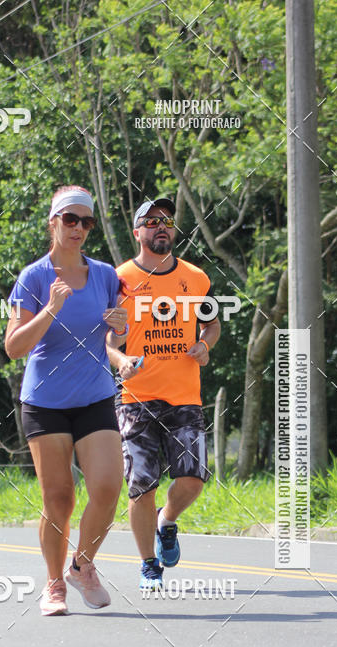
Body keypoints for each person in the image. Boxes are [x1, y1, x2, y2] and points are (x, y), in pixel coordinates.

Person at [5, 185, 127, 615]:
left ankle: (82, 565)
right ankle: (54, 585)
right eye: (70, 219)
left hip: (94, 395)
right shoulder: (34, 277)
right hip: (46, 400)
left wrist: (121, 329)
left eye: (86, 221)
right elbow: (14, 347)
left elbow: (112, 336)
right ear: (53, 222)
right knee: (59, 499)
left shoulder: (106, 275)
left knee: (109, 487)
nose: (78, 228)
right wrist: (50, 309)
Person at [106, 197, 221, 591]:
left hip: (185, 395)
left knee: (193, 479)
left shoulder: (195, 277)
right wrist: (120, 360)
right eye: (151, 221)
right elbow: (108, 340)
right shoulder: (118, 279)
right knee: (142, 484)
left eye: (167, 221)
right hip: (136, 397)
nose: (161, 227)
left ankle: (166, 521)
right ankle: (148, 564)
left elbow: (211, 326)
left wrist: (205, 345)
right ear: (137, 232)